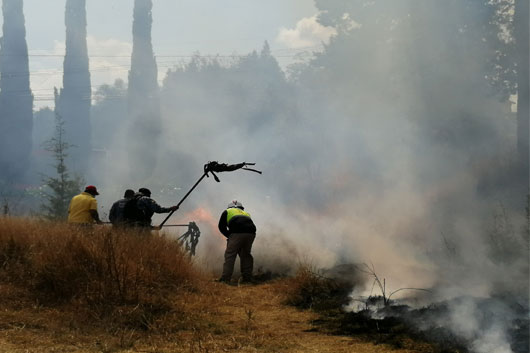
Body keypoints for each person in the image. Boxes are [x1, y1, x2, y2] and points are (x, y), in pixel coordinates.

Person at [217, 200, 257, 284]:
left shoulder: (227, 211)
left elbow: (221, 226)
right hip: (251, 234)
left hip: (237, 233)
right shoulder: (245, 213)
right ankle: (247, 279)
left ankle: (225, 279)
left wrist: (229, 236)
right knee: (246, 255)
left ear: (230, 207)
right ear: (241, 208)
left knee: (230, 255)